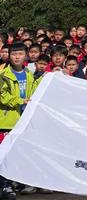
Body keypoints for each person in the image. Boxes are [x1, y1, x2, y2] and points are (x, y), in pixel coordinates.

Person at [0, 43, 39, 198]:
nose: (17, 57)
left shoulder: (29, 74)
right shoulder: (4, 75)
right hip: (7, 121)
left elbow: (34, 92)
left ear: (26, 56)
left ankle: (14, 182)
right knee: (4, 155)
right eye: (14, 54)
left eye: (20, 54)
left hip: (23, 122)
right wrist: (20, 101)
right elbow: (2, 96)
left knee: (17, 154)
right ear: (9, 56)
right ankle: (5, 186)